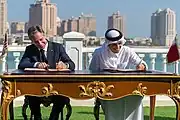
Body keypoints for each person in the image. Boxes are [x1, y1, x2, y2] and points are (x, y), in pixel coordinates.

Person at [18, 25, 75, 120]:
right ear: (32, 42)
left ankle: (54, 117)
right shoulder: (30, 49)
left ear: (44, 35)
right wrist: (36, 64)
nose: (40, 43)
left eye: (41, 39)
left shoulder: (58, 47)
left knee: (62, 95)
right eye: (36, 42)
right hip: (37, 87)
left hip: (56, 87)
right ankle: (37, 117)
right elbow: (22, 64)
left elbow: (71, 64)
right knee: (31, 94)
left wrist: (65, 65)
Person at [89, 28, 147, 120]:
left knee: (137, 97)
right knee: (112, 100)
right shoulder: (99, 53)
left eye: (119, 44)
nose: (118, 47)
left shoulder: (127, 51)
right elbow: (92, 71)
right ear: (108, 45)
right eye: (114, 45)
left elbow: (142, 63)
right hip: (107, 88)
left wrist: (141, 66)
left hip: (126, 86)